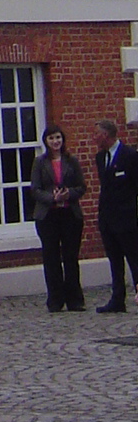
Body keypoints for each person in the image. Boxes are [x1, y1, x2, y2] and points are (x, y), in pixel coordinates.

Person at [30, 125, 85, 311]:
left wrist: (68, 194)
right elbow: (35, 189)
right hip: (48, 215)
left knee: (71, 258)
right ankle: (55, 300)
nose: (56, 141)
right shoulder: (40, 162)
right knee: (51, 257)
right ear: (46, 141)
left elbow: (81, 187)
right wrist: (52, 198)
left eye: (58, 138)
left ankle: (75, 300)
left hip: (70, 214)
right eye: (52, 138)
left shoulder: (72, 161)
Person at [94, 118, 138, 313]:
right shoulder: (100, 158)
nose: (94, 138)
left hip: (127, 219)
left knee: (134, 259)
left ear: (106, 135)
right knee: (115, 260)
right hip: (108, 219)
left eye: (97, 134)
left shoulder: (130, 156)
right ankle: (117, 298)